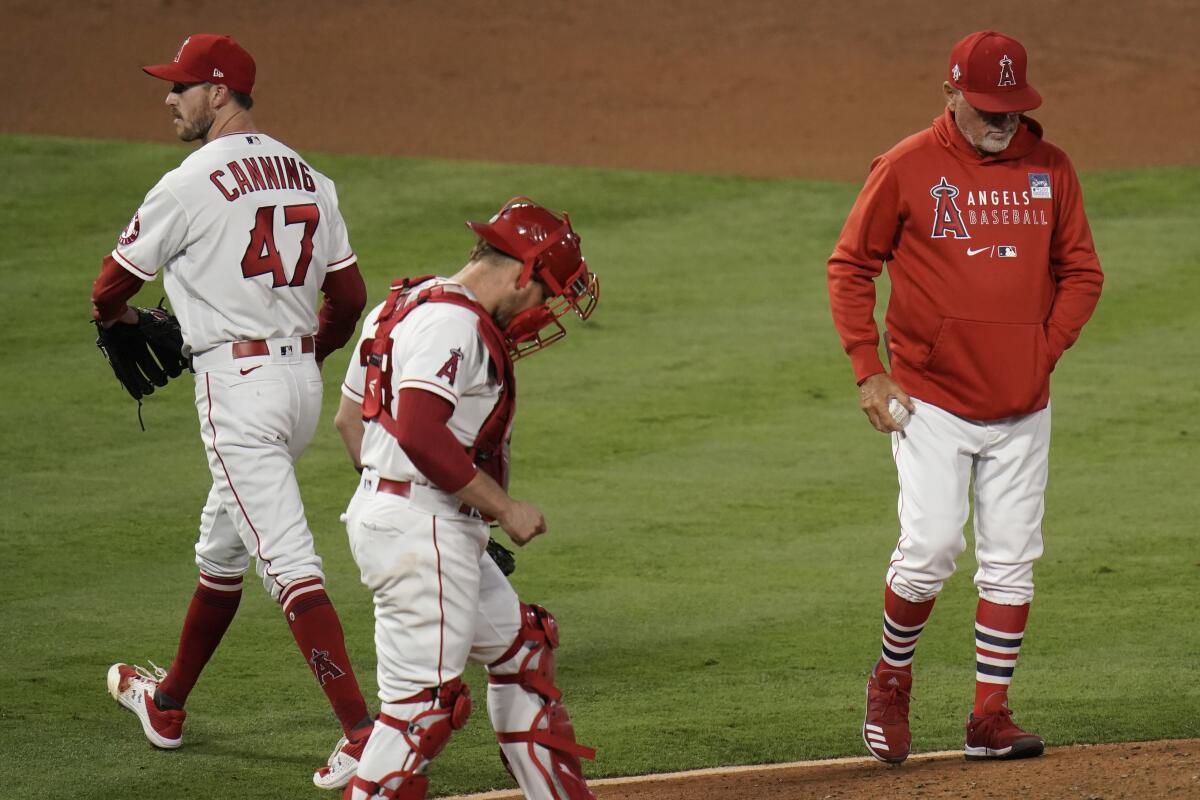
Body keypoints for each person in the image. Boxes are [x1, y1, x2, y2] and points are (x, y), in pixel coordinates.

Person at [92, 34, 376, 789]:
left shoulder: (188, 183)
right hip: (299, 390)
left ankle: (364, 735)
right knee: (222, 551)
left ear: (220, 93)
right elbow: (348, 299)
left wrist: (122, 327)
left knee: (289, 564)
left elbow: (107, 289)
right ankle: (169, 704)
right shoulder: (312, 178)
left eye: (182, 87)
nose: (169, 98)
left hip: (238, 395)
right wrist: (305, 358)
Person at [827, 30, 1104, 764]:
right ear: (950, 94)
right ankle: (890, 679)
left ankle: (990, 715)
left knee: (1012, 559)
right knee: (930, 547)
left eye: (1011, 108)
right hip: (931, 400)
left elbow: (1082, 273)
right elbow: (852, 265)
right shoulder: (908, 166)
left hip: (1024, 407)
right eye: (986, 107)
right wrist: (868, 368)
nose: (1001, 121)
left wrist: (1040, 350)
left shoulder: (1052, 169)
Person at [332, 197, 600, 800]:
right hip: (424, 528)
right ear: (523, 272)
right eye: (546, 292)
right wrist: (498, 508)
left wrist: (401, 494)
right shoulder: (454, 325)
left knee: (523, 651)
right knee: (419, 717)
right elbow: (423, 431)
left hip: (417, 520)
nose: (543, 309)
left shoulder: (399, 305)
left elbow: (351, 421)